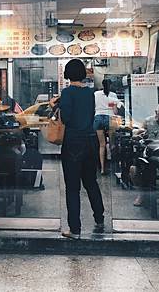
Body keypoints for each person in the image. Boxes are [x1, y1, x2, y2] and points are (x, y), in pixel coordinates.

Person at [51, 59, 104, 239]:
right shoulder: (90, 93)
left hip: (73, 143)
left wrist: (55, 106)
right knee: (91, 182)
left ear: (68, 74)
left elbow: (66, 118)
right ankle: (99, 218)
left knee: (73, 188)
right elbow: (89, 114)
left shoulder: (67, 92)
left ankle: (75, 229)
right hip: (90, 142)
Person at [130, 101, 159, 206]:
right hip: (151, 153)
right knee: (135, 169)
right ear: (156, 113)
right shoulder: (149, 121)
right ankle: (142, 194)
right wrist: (138, 134)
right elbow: (139, 132)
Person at [93, 79, 122, 175]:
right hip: (110, 118)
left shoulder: (96, 94)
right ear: (111, 85)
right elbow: (115, 111)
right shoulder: (113, 95)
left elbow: (93, 107)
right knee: (112, 145)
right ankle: (114, 167)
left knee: (102, 145)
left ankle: (102, 169)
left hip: (98, 118)